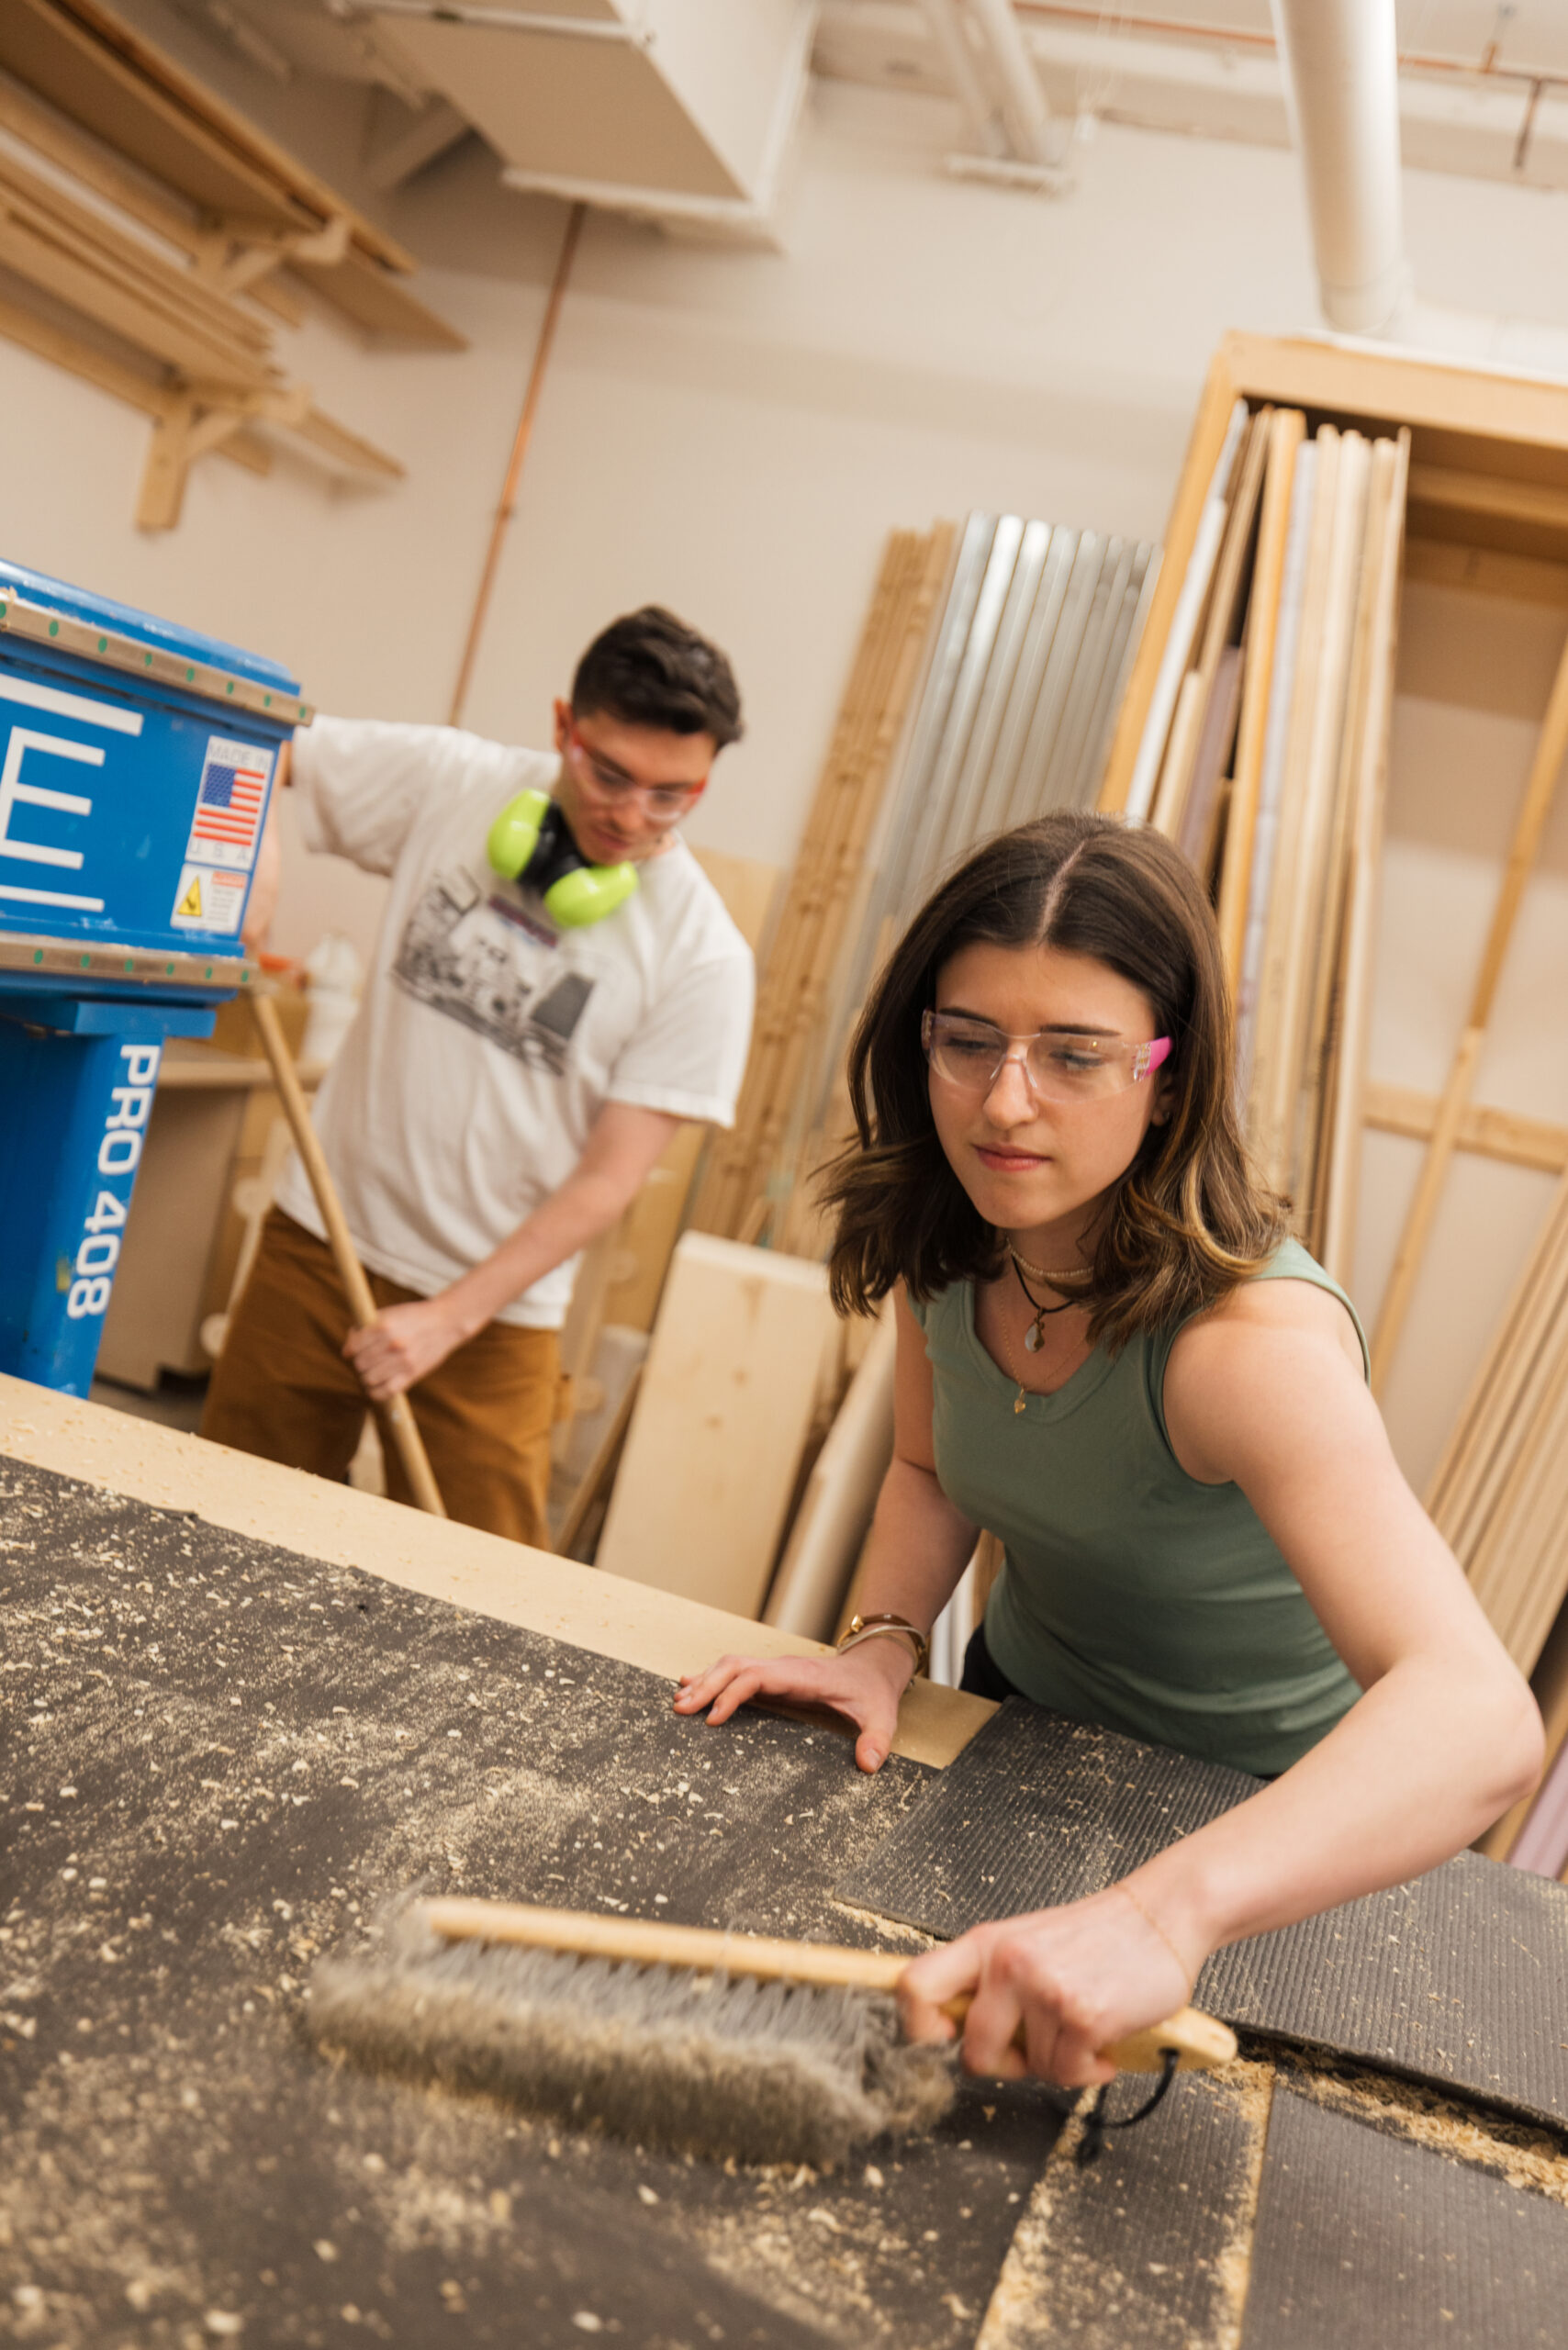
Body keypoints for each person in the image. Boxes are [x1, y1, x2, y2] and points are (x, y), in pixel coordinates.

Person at [675, 812, 1541, 2092]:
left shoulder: (1244, 1350)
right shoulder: (955, 1241)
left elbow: (1479, 1720)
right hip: (1024, 1723)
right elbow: (925, 1471)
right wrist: (880, 1648)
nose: (1004, 1102)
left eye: (1074, 1057)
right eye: (967, 1042)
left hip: (1253, 1824)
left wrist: (1161, 1915)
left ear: (1168, 1077)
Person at [203, 607, 754, 1546]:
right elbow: (248, 734)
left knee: (481, 1607)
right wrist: (250, 851)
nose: (631, 816)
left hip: (493, 1320)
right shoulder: (455, 781)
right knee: (218, 1530)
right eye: (609, 773)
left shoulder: (703, 957)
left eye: (672, 795)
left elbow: (607, 1182)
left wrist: (448, 1320)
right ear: (560, 728)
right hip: (316, 1244)